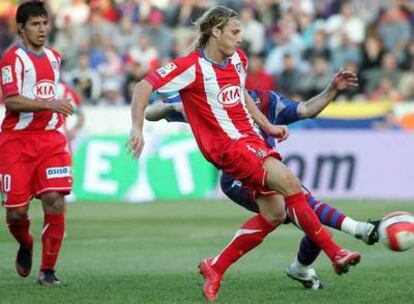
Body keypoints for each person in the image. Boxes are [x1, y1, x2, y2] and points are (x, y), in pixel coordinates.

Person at [128, 6, 360, 302]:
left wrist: (268, 126)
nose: (241, 39)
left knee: (275, 213)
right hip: (229, 148)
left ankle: (215, 267)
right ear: (216, 32)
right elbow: (143, 86)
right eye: (235, 32)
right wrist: (137, 128)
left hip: (250, 140)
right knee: (292, 184)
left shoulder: (238, 60)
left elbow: (240, 96)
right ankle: (336, 253)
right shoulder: (192, 67)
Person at [145, 70, 380, 290]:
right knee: (299, 208)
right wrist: (176, 106)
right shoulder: (208, 101)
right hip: (237, 174)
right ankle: (357, 229)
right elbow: (151, 112)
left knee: (318, 232)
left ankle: (300, 268)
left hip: (268, 167)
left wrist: (331, 90)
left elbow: (306, 109)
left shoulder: (265, 100)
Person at [0, 1, 74, 286]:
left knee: (55, 200)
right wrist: (49, 104)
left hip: (50, 139)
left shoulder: (55, 57)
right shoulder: (12, 58)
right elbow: (12, 101)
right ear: (21, 28)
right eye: (35, 24)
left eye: (45, 23)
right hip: (16, 141)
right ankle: (26, 241)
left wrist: (53, 109)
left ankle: (48, 271)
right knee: (17, 211)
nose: (42, 29)